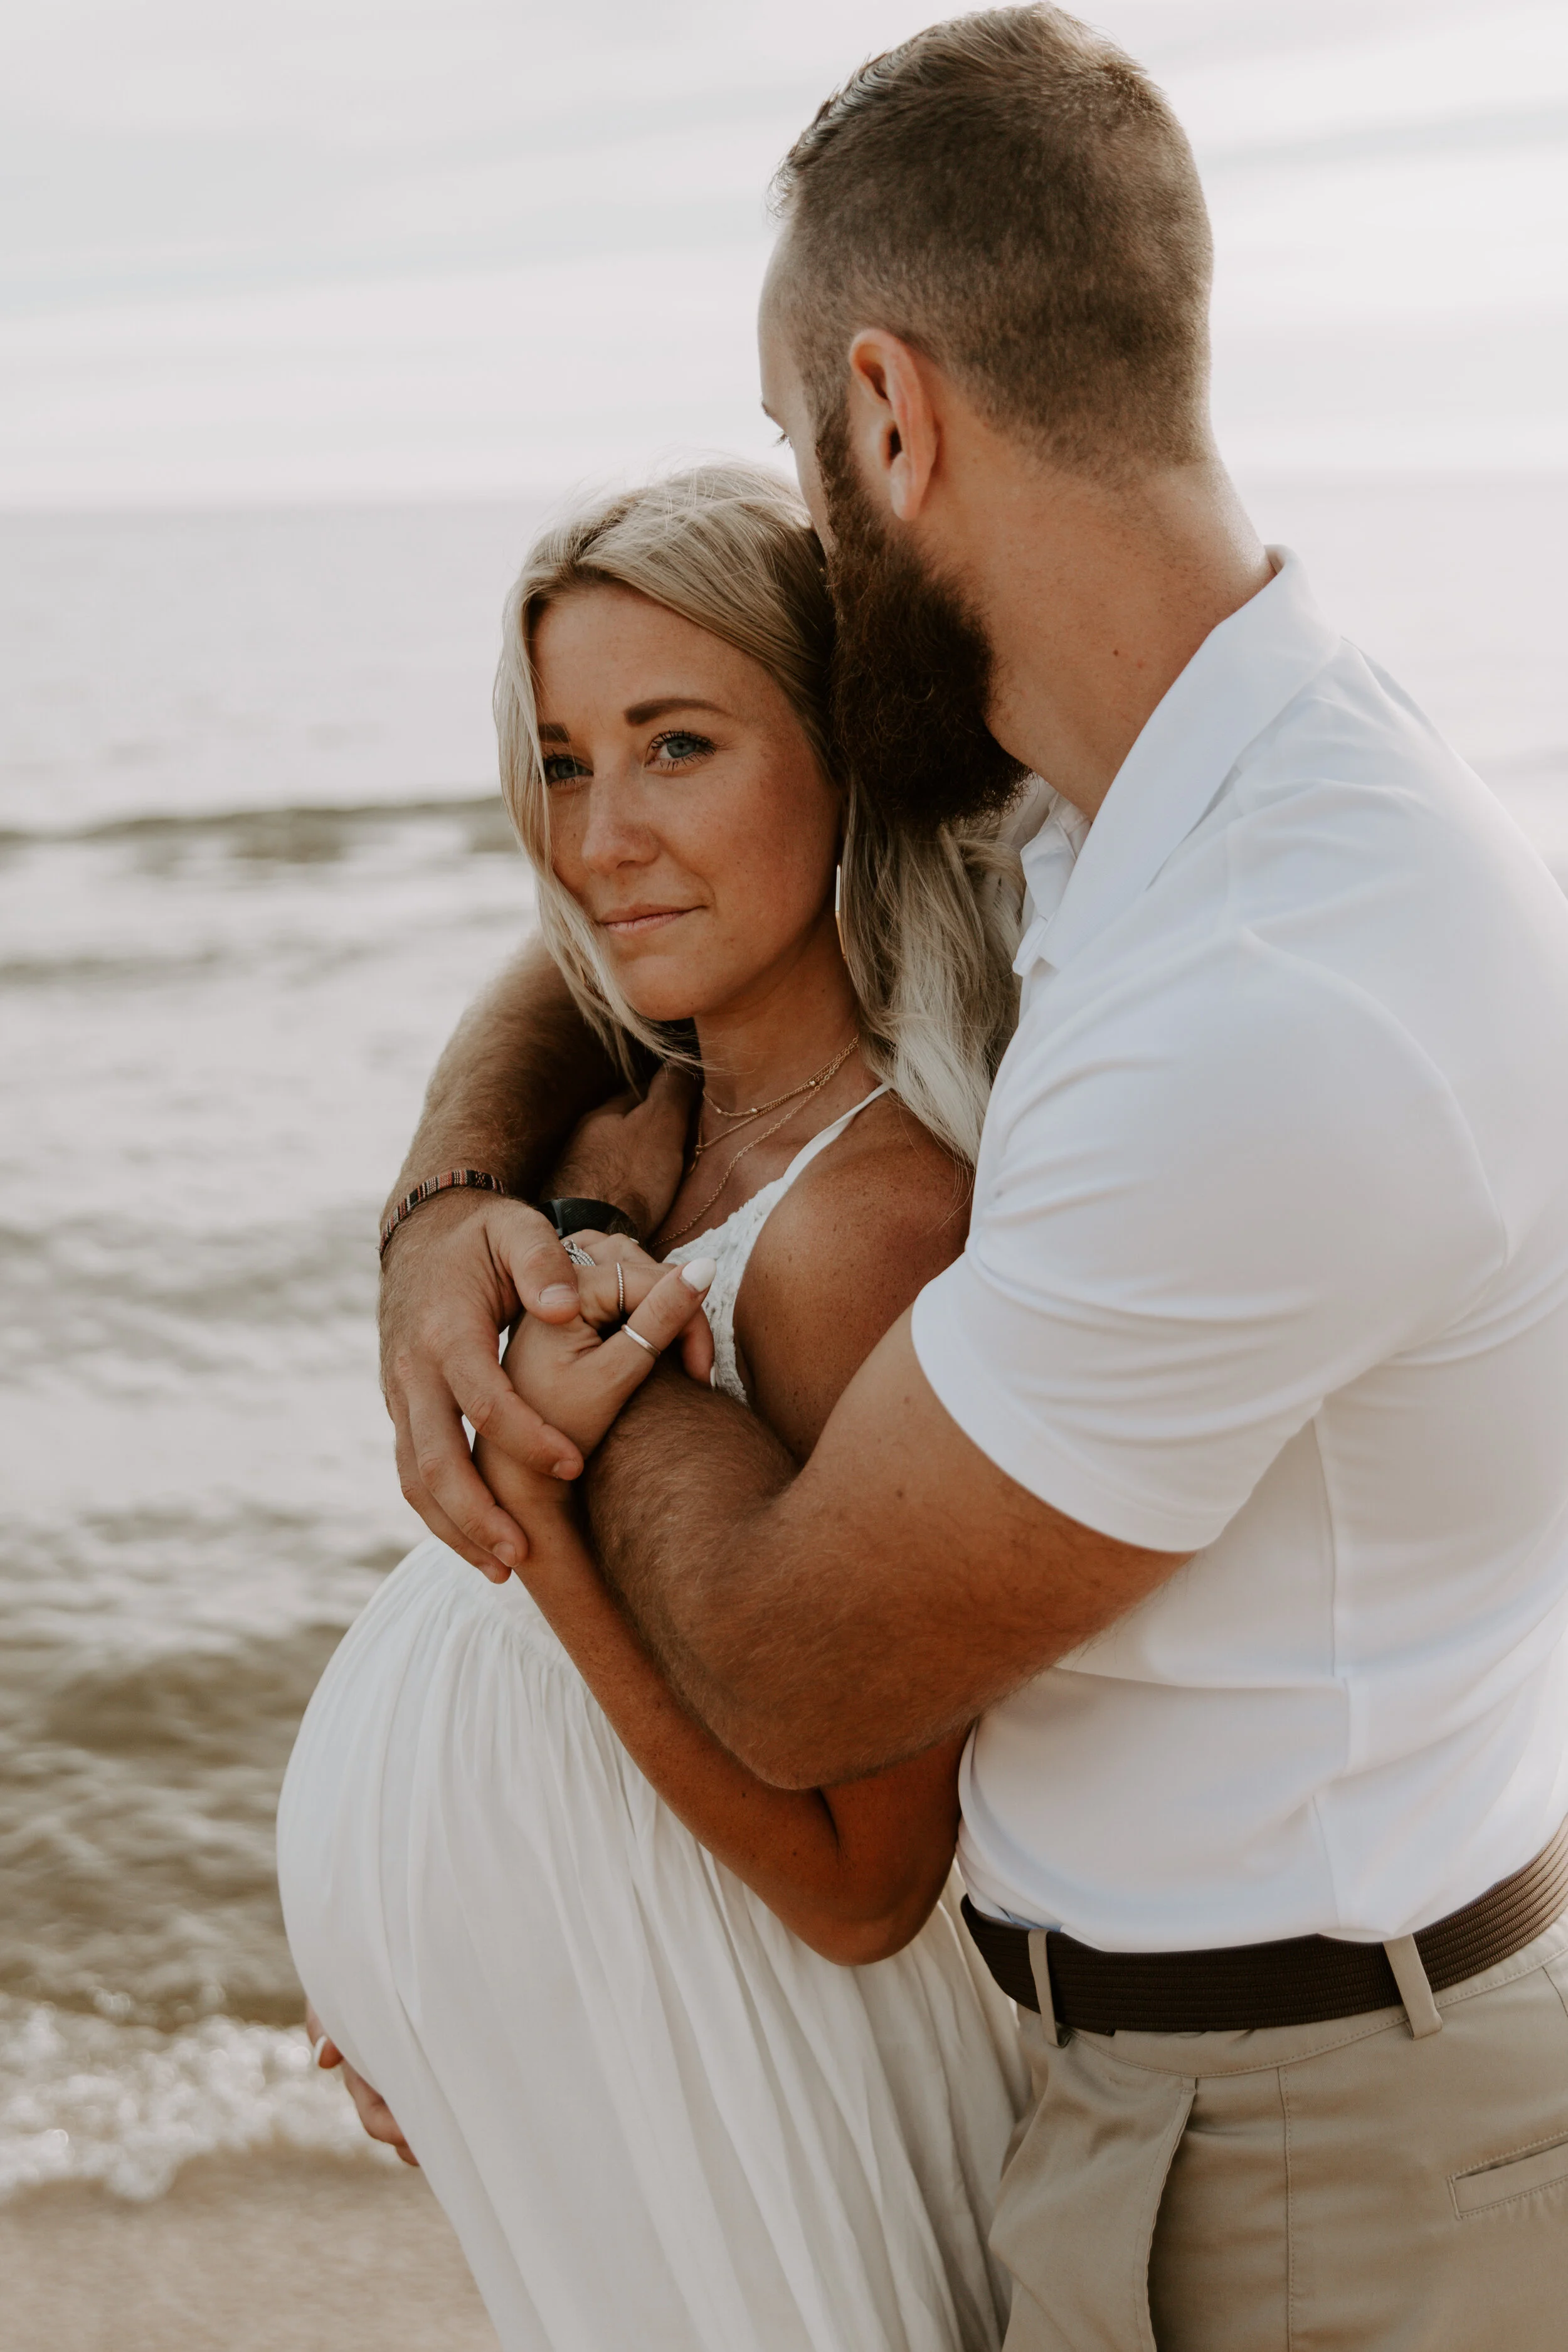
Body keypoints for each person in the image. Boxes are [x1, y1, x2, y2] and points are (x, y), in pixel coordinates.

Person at [369, 9, 1568, 2349]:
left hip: (1326, 2151)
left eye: (796, 448)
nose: (809, 517)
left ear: (887, 415)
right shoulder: (1119, 805)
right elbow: (634, 946)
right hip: (1161, 2084)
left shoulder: (1271, 992)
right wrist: (446, 1200)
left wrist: (574, 1293)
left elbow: (809, 1671)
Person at [279, 461, 1034, 2352]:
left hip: (774, 2102)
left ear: (844, 753)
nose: (598, 835)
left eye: (674, 745)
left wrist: (538, 1520)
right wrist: (458, 1991)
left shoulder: (874, 1221)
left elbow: (866, 1878)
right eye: (557, 760)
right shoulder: (622, 1133)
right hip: (631, 2088)